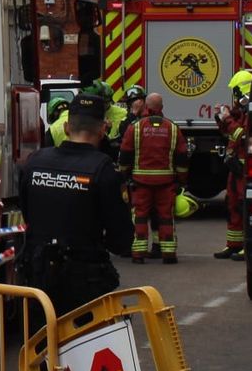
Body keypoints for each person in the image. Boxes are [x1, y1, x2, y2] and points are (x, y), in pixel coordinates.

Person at [18, 93, 134, 315]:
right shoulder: (104, 169)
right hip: (84, 281)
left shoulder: (35, 161)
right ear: (103, 129)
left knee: (41, 335)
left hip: (37, 279)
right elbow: (121, 239)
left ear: (67, 127)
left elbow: (27, 212)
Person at [118, 92, 190, 264]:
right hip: (166, 182)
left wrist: (124, 174)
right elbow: (182, 157)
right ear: (162, 108)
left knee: (140, 216)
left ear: (146, 107)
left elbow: (125, 154)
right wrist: (181, 180)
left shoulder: (135, 127)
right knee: (166, 216)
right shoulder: (173, 128)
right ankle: (169, 254)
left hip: (140, 182)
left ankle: (138, 254)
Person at [214, 70, 252, 259]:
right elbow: (228, 133)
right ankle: (234, 244)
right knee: (232, 205)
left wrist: (228, 119)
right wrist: (221, 118)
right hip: (235, 167)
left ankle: (247, 245)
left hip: (245, 170)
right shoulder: (242, 112)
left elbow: (242, 136)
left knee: (244, 206)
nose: (234, 98)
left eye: (235, 93)